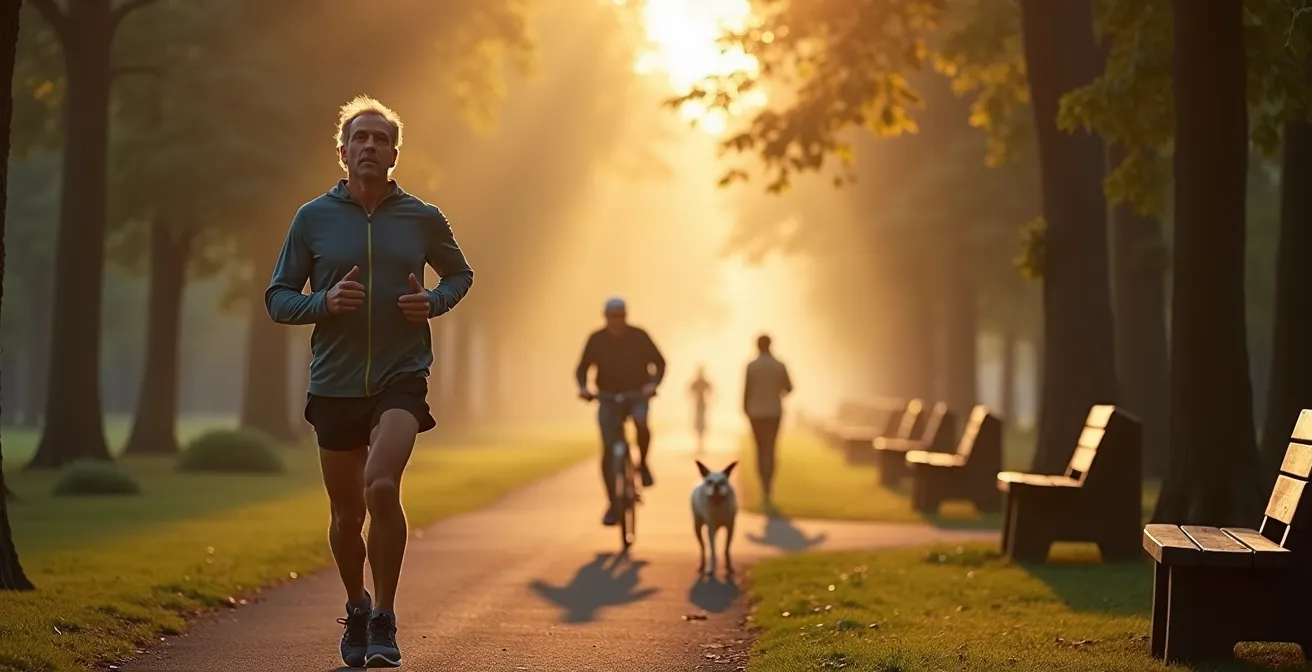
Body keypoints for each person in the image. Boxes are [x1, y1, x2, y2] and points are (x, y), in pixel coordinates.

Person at [265, 95, 474, 669]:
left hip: (401, 375)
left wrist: (432, 301)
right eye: (360, 138)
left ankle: (384, 615)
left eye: (381, 139)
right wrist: (324, 302)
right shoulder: (312, 219)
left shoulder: (422, 217)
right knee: (346, 516)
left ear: (394, 154)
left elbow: (460, 274)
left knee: (381, 486)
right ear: (343, 152)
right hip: (333, 382)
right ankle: (356, 605)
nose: (370, 147)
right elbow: (277, 297)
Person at [575, 297, 667, 526]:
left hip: (636, 394)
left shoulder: (639, 336)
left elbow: (660, 362)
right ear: (605, 317)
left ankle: (643, 463)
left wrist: (652, 384)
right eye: (612, 316)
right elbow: (582, 367)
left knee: (641, 421)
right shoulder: (596, 339)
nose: (616, 321)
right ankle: (612, 504)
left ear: (626, 316)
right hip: (607, 397)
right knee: (608, 451)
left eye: (620, 316)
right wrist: (584, 388)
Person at [743, 334, 793, 507]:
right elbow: (789, 388)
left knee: (759, 449)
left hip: (756, 412)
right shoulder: (779, 366)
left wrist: (746, 410)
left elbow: (746, 391)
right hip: (773, 411)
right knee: (770, 449)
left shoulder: (752, 366)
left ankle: (763, 487)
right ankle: (769, 487)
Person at [689, 366, 713, 453]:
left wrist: (709, 399)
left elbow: (711, 391)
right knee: (698, 424)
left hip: (702, 406)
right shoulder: (697, 382)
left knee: (702, 424)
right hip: (698, 405)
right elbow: (689, 391)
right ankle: (699, 444)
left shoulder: (703, 382)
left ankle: (701, 444)